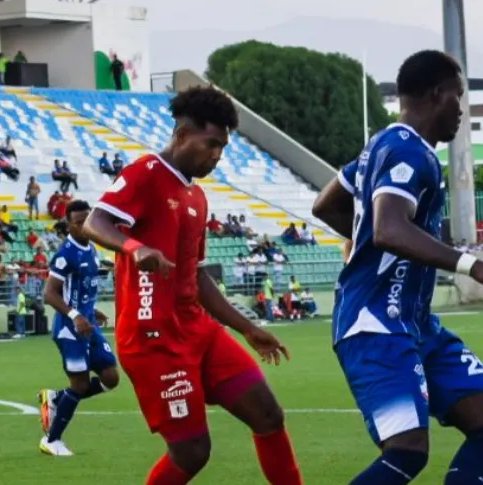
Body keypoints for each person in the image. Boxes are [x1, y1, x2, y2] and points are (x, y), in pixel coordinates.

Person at [311, 50, 483, 485]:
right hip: (374, 324)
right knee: (407, 452)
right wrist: (475, 266)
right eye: (459, 97)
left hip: (416, 325)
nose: (461, 110)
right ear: (438, 94)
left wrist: (366, 245)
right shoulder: (408, 152)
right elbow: (390, 228)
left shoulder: (380, 145)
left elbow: (326, 204)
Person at [83, 86, 302, 484]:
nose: (217, 155)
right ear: (182, 135)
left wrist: (248, 327)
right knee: (192, 451)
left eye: (223, 146)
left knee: (268, 415)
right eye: (212, 144)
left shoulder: (196, 196)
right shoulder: (145, 174)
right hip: (154, 339)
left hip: (197, 330)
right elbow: (94, 222)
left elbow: (196, 276)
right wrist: (135, 247)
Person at [37, 200, 120, 457]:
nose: (85, 226)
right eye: (78, 222)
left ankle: (56, 398)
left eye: (88, 220)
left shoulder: (91, 248)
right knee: (81, 384)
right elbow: (50, 294)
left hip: (87, 324)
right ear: (68, 225)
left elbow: (80, 290)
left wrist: (90, 311)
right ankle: (52, 440)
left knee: (110, 378)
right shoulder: (65, 255)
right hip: (69, 328)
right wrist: (75, 315)